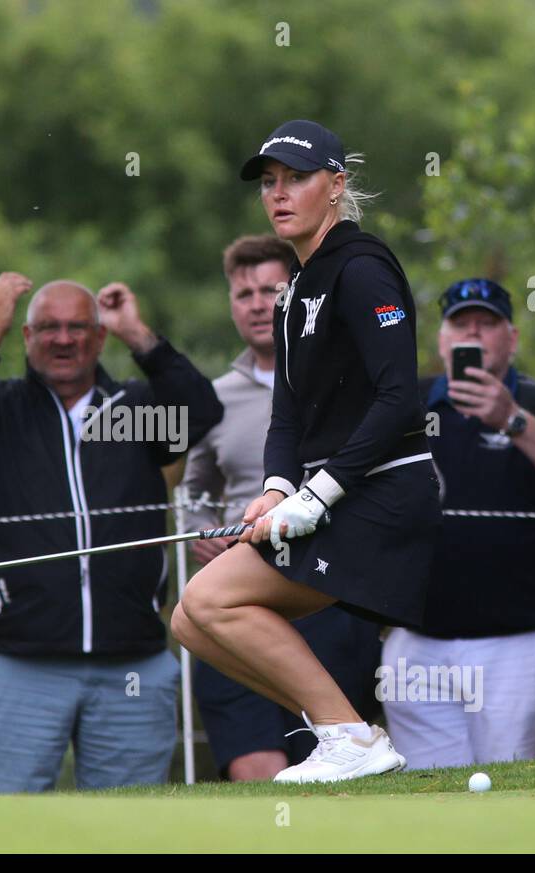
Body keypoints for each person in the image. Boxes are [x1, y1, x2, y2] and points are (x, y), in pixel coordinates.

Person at [171, 119, 440, 784]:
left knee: (209, 601)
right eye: (269, 183)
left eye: (296, 178)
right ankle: (342, 731)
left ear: (336, 185)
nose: (279, 193)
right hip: (336, 496)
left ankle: (349, 736)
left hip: (381, 495)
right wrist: (274, 489)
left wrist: (317, 495)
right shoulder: (297, 290)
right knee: (189, 620)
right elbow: (287, 413)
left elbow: (399, 398)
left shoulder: (362, 266)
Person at [0, 274, 223, 793]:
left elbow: (202, 410)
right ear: (28, 337)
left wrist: (138, 333)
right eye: (49, 328)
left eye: (78, 327)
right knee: (5, 828)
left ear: (99, 337)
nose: (64, 339)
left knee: (128, 832)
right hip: (21, 664)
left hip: (132, 666)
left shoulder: (131, 413)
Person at [183, 234, 383, 781]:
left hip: (322, 590)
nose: (254, 303)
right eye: (241, 292)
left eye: (268, 289)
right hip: (236, 587)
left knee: (331, 759)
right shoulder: (213, 398)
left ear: (294, 294)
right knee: (254, 764)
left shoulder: (347, 384)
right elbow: (196, 490)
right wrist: (200, 529)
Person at [381, 277, 535, 769]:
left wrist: (510, 418)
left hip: (519, 642)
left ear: (512, 338)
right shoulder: (406, 409)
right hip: (418, 644)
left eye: (487, 323)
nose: (473, 334)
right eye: (460, 323)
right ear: (442, 339)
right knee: (430, 801)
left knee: (509, 794)